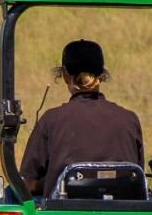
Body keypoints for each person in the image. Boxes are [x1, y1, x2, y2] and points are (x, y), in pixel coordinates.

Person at [20, 39, 144, 197]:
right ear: (102, 76)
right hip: (122, 214)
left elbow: (27, 183)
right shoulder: (130, 119)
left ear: (65, 76)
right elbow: (136, 177)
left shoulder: (52, 119)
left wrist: (55, 181)